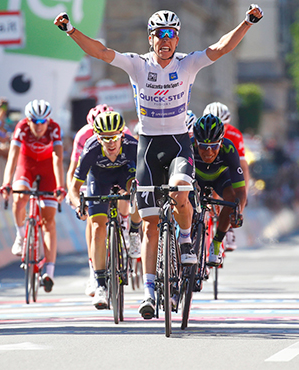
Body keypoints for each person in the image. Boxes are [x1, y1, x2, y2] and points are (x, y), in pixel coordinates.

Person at [54, 4, 263, 319]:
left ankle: (187, 241)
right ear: (150, 38)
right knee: (150, 224)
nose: (165, 40)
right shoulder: (138, 65)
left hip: (179, 143)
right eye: (159, 35)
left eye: (171, 35)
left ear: (176, 39)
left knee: (180, 189)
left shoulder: (188, 63)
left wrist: (247, 22)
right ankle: (150, 292)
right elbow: (100, 51)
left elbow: (221, 47)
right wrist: (71, 30)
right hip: (148, 146)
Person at [68, 111, 142, 309]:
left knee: (136, 190)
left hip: (125, 174)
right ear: (98, 138)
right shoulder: (90, 149)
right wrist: (78, 205)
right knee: (98, 229)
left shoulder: (132, 146)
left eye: (115, 138)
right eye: (106, 138)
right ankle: (100, 285)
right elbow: (74, 189)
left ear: (122, 135)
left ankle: (134, 232)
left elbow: (146, 178)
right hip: (99, 180)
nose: (111, 143)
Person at [0, 99, 65, 293]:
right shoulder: (21, 128)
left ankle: (49, 273)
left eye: (43, 121)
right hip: (26, 166)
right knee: (19, 199)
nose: (39, 126)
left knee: (49, 222)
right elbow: (12, 156)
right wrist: (7, 182)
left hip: (47, 170)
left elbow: (57, 157)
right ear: (28, 121)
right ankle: (21, 236)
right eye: (35, 122)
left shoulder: (54, 128)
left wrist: (60, 186)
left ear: (48, 120)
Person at [192, 114, 246, 265]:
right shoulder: (188, 147)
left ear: (221, 143)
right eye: (203, 146)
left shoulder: (229, 149)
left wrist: (238, 212)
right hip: (196, 180)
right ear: (196, 142)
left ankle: (216, 243)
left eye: (214, 146)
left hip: (220, 179)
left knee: (232, 198)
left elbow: (241, 190)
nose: (208, 152)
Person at [203, 101, 250, 251]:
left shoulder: (234, 134)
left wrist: (243, 197)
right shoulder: (201, 129)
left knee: (233, 190)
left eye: (223, 126)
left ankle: (227, 229)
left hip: (227, 167)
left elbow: (242, 167)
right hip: (207, 167)